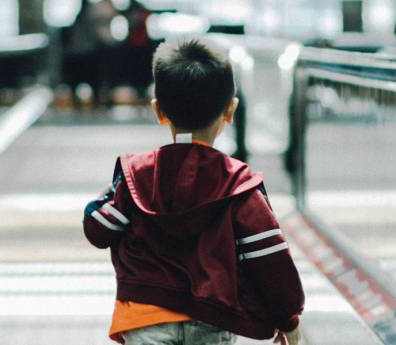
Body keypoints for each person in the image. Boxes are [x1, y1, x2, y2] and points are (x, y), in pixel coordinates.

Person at [83, 39, 304, 345]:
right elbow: (268, 257)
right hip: (212, 317)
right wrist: (287, 318)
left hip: (145, 317)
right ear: (230, 111)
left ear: (159, 110)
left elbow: (99, 229)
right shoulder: (239, 184)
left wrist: (107, 195)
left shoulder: (137, 175)